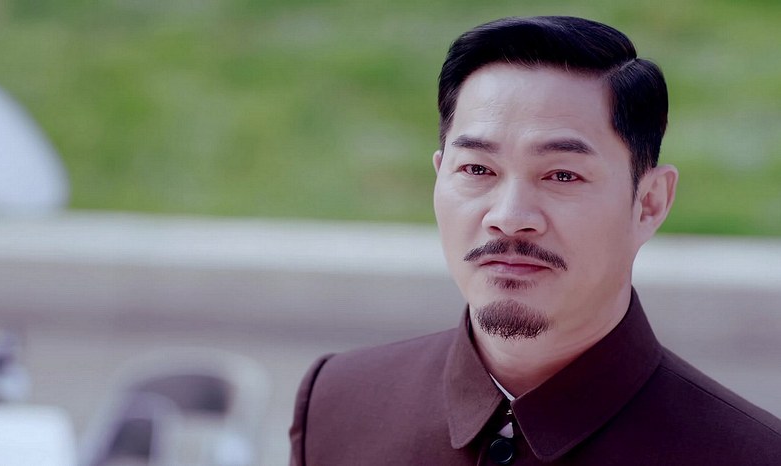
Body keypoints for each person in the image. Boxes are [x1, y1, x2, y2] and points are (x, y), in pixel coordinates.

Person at [288, 15, 781, 465]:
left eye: (562, 175)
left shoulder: (751, 454)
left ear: (649, 203)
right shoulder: (337, 403)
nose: (509, 218)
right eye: (477, 169)